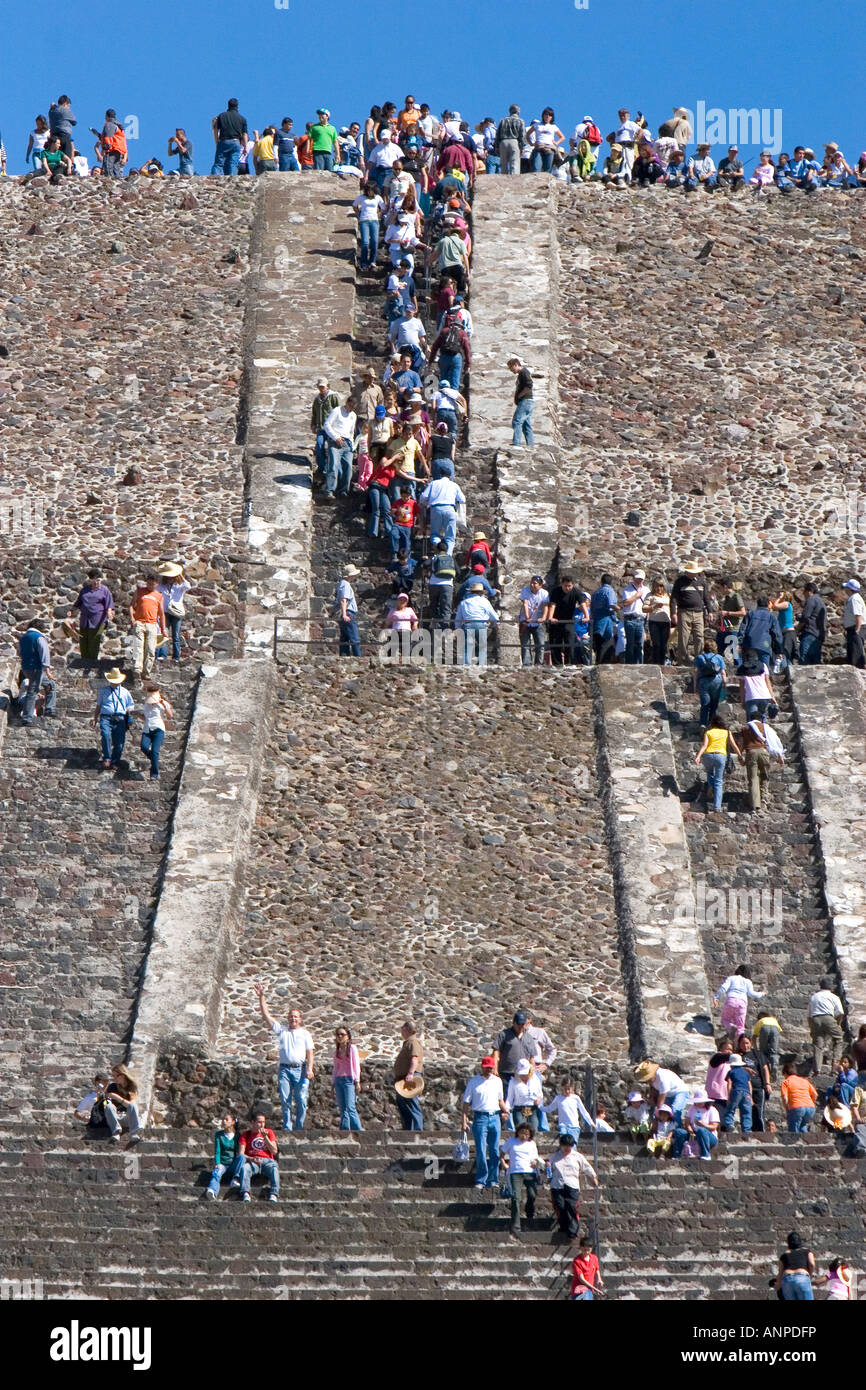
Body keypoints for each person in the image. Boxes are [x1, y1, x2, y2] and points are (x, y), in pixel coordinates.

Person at [253, 984, 314, 1132]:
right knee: (285, 1100)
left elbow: (310, 1052)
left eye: (296, 1016)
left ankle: (299, 1128)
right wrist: (262, 997)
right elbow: (266, 1016)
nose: (293, 1018)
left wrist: (310, 1068)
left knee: (301, 1099)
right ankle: (287, 1127)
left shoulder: (305, 1033)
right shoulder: (282, 1031)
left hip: (300, 1069)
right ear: (288, 1018)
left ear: (300, 1019)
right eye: (291, 1016)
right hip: (285, 1070)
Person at [461, 1056, 508, 1188]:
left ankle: (493, 1179)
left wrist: (506, 1111)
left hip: (495, 1117)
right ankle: (481, 1179)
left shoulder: (498, 1081)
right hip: (480, 1117)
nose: (489, 1070)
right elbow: (465, 1103)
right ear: (482, 1067)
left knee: (494, 1149)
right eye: (487, 1067)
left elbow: (500, 1101)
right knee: (481, 1149)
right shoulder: (473, 1082)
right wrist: (463, 1121)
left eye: (491, 1068)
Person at [547, 1133, 597, 1239]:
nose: (567, 1148)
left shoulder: (577, 1156)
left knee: (572, 1207)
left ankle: (573, 1231)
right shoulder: (555, 1157)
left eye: (569, 1146)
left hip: (572, 1185)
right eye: (565, 1146)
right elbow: (548, 1170)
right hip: (557, 1185)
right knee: (560, 1207)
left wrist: (593, 1176)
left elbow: (586, 1167)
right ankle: (564, 1227)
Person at [695, 716, 742, 813]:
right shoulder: (727, 732)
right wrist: (740, 755)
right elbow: (733, 745)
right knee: (719, 781)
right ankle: (717, 807)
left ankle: (711, 785)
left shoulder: (708, 732)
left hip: (708, 755)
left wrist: (698, 756)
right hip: (720, 756)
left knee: (709, 772)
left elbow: (704, 746)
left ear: (712, 724)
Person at [500, 1122, 539, 1235]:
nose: (524, 1136)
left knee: (532, 1194)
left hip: (529, 1172)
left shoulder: (532, 1144)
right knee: (516, 1198)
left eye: (526, 1134)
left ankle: (529, 1212)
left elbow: (535, 1157)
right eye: (522, 1133)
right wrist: (503, 1163)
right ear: (518, 1132)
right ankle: (515, 1225)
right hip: (515, 1172)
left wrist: (535, 1162)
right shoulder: (511, 1141)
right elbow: (502, 1152)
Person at [738, 719, 783, 815]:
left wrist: (740, 756)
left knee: (753, 779)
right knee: (765, 776)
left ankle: (755, 805)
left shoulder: (745, 728)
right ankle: (764, 799)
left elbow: (742, 744)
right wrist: (780, 756)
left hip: (751, 752)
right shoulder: (764, 727)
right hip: (763, 752)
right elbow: (773, 740)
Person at [93, 667, 134, 770]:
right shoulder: (103, 691)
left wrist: (129, 718)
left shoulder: (125, 692)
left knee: (119, 742)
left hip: (120, 718)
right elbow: (98, 705)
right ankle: (107, 758)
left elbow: (130, 705)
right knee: (105, 735)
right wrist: (95, 718)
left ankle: (115, 761)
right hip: (106, 717)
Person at [17, 619, 56, 726]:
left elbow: (20, 652)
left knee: (50, 684)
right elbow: (44, 653)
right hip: (36, 668)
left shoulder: (23, 638)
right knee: (33, 691)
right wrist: (47, 669)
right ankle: (27, 717)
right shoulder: (39, 637)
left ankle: (49, 709)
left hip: (26, 668)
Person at [670, 561, 710, 664]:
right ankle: (683, 660)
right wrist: (673, 613)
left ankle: (700, 660)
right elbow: (674, 598)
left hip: (698, 613)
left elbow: (706, 598)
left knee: (699, 636)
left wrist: (710, 611)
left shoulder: (702, 582)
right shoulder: (680, 582)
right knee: (684, 636)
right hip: (684, 612)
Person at [69, 570, 114, 661]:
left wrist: (109, 612)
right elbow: (79, 602)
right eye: (94, 580)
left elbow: (109, 604)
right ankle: (84, 661)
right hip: (85, 619)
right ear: (90, 580)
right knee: (84, 641)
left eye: (98, 580)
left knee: (94, 641)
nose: (96, 582)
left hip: (97, 620)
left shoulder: (104, 590)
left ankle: (92, 662)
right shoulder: (84, 590)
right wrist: (71, 610)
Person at [129, 574, 166, 682]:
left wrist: (163, 629)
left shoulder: (159, 596)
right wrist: (132, 617)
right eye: (148, 583)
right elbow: (131, 605)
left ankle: (146, 671)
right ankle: (137, 668)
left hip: (152, 624)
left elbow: (161, 613)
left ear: (157, 584)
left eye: (152, 584)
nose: (150, 585)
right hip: (139, 622)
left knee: (150, 648)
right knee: (139, 646)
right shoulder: (139, 591)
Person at [493, 1011, 540, 1094]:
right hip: (506, 1074)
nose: (521, 1026)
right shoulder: (504, 1035)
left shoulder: (529, 1038)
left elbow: (532, 1057)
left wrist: (533, 1073)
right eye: (519, 1024)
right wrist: (495, 1068)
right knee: (506, 1097)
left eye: (523, 1024)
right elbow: (496, 1051)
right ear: (514, 1023)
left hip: (523, 1074)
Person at [713, 965, 765, 1042]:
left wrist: (715, 997)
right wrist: (762, 993)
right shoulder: (748, 981)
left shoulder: (731, 978)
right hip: (742, 1004)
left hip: (731, 1001)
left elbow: (723, 988)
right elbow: (751, 993)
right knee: (741, 1027)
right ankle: (741, 1044)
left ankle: (731, 1027)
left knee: (725, 1020)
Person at [238, 1110, 279, 1202]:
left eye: (263, 1122)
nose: (262, 1125)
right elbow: (241, 1153)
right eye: (259, 1122)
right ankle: (246, 1193)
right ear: (253, 1122)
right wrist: (251, 1159)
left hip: (267, 1160)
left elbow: (274, 1151)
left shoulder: (269, 1132)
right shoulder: (246, 1135)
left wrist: (265, 1137)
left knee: (274, 1169)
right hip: (253, 1160)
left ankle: (274, 1194)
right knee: (244, 1168)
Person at [418, 474, 465, 555]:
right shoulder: (454, 485)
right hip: (450, 508)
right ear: (449, 476)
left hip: (436, 509)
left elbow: (423, 497)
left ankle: (439, 549)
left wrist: (426, 503)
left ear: (440, 475)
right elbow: (462, 499)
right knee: (450, 537)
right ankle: (448, 555)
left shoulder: (433, 483)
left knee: (435, 534)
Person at [546, 575, 586, 666]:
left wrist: (586, 616)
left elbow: (582, 603)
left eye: (569, 586)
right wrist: (550, 617)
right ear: (562, 585)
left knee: (570, 643)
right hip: (556, 621)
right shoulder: (556, 591)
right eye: (565, 586)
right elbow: (552, 605)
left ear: (572, 585)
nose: (567, 588)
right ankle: (557, 665)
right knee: (556, 644)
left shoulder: (575, 591)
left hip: (568, 621)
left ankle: (569, 664)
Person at [808, 978, 845, 1075]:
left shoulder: (814, 997)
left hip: (815, 1019)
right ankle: (834, 1067)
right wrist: (838, 1024)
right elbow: (840, 1012)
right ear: (831, 988)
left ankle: (817, 1070)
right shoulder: (834, 997)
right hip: (828, 1018)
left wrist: (811, 1028)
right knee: (838, 1039)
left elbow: (809, 1015)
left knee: (818, 1044)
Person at [455, 585, 499, 665]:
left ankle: (466, 666)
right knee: (482, 646)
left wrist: (457, 628)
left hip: (467, 624)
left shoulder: (464, 602)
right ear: (481, 592)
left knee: (467, 647)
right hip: (480, 624)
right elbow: (494, 616)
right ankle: (481, 664)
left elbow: (458, 618)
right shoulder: (484, 601)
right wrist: (496, 624)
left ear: (471, 592)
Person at [322, 397, 357, 499]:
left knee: (348, 467)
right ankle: (329, 490)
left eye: (353, 407)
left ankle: (343, 490)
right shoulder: (337, 411)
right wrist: (336, 437)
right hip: (335, 441)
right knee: (333, 465)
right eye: (350, 406)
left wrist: (352, 444)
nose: (351, 409)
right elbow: (327, 424)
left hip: (347, 443)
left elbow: (351, 431)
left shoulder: (353, 415)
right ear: (347, 403)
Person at [156, 563, 191, 663]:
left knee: (176, 635)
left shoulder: (179, 586)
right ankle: (163, 655)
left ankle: (176, 657)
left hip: (176, 612)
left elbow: (188, 586)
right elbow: (155, 591)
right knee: (164, 633)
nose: (170, 578)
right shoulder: (162, 586)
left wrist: (180, 576)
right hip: (165, 612)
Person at [138, 683, 173, 781]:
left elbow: (170, 716)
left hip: (158, 729)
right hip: (147, 729)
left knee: (154, 751)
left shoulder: (162, 704)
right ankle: (154, 760)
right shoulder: (146, 705)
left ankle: (154, 774)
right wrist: (137, 714)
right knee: (144, 747)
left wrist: (165, 705)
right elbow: (145, 718)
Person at [544, 1079, 595, 1143]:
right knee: (564, 1143)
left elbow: (583, 1111)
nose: (567, 1091)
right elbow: (549, 1108)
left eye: (569, 1089)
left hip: (574, 1126)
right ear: (562, 1088)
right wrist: (540, 1107)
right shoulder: (558, 1098)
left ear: (572, 1088)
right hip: (563, 1126)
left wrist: (591, 1122)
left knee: (572, 1145)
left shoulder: (576, 1098)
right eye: (565, 1089)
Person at [393, 1021, 424, 1130]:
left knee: (411, 1104)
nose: (401, 1030)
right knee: (404, 1106)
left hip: (409, 1077)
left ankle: (416, 1131)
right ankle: (408, 1131)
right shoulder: (408, 1042)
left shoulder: (413, 1042)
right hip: (403, 1078)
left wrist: (410, 1074)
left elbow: (414, 1059)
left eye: (402, 1028)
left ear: (406, 1029)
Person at [672, 1090, 719, 1160]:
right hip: (694, 1134)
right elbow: (687, 1122)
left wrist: (703, 1125)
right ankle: (677, 1154)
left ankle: (706, 1154)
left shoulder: (712, 1110)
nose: (699, 1103)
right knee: (679, 1132)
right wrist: (690, 1130)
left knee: (701, 1131)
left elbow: (714, 1127)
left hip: (708, 1135)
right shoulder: (692, 1108)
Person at [205, 1111, 242, 1198]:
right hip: (223, 1164)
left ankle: (235, 1179)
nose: (223, 1121)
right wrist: (218, 1163)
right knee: (217, 1173)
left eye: (226, 1119)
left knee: (241, 1157)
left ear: (232, 1122)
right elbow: (217, 1151)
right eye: (223, 1120)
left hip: (233, 1164)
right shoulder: (219, 1135)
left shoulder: (237, 1136)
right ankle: (212, 1190)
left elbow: (238, 1151)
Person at [332, 1026, 362, 1132]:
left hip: (349, 1080)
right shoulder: (337, 1050)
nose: (340, 1036)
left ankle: (358, 1130)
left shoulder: (352, 1048)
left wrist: (357, 1081)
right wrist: (333, 1081)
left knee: (350, 1107)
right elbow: (336, 1067)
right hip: (339, 1080)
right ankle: (344, 1129)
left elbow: (356, 1065)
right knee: (342, 1108)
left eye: (342, 1034)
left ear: (348, 1037)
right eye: (338, 1034)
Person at [311, 378, 341, 482]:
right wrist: (313, 425)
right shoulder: (317, 399)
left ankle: (335, 470)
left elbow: (338, 411)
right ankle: (322, 467)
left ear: (327, 386)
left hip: (331, 428)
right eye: (319, 387)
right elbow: (314, 413)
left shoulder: (333, 397)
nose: (321, 389)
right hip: (321, 428)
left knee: (333, 449)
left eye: (323, 387)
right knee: (319, 446)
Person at [104, 1064, 142, 1145]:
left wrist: (118, 1098)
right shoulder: (112, 1087)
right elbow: (107, 1103)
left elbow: (131, 1105)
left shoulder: (132, 1087)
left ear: (123, 1075)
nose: (114, 1078)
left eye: (116, 1076)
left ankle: (134, 1133)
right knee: (108, 1106)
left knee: (133, 1105)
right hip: (115, 1117)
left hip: (127, 1117)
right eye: (113, 1076)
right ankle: (116, 1133)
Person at [505, 1059, 545, 1134]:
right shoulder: (513, 1082)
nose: (523, 1076)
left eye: (525, 1074)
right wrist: (506, 1110)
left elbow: (540, 1093)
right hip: (519, 1109)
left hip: (533, 1109)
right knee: (521, 1131)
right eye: (522, 1074)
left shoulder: (535, 1079)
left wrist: (539, 1099)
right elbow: (510, 1098)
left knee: (533, 1130)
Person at [739, 597, 783, 665]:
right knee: (765, 670)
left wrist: (740, 643)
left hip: (749, 645)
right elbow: (777, 635)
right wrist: (779, 651)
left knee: (748, 669)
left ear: (757, 604)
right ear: (768, 605)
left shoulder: (750, 614)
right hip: (764, 645)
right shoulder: (771, 617)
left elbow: (742, 629)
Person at [211, 98, 247, 176]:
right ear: (237, 107)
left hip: (224, 141)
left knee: (219, 163)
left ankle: (214, 177)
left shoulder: (221, 116)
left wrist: (216, 141)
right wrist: (245, 147)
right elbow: (244, 134)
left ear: (228, 105)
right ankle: (232, 178)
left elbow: (215, 129)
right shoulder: (242, 119)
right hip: (236, 141)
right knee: (233, 163)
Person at [352, 182, 385, 271]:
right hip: (364, 221)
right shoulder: (361, 197)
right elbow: (354, 206)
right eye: (369, 190)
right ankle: (363, 261)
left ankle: (372, 261)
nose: (370, 192)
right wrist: (359, 214)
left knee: (374, 241)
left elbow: (383, 207)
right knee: (365, 242)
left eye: (372, 190)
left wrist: (379, 214)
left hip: (374, 221)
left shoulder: (378, 198)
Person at [620, 568, 649, 664]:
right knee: (630, 645)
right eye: (637, 578)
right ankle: (629, 664)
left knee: (640, 645)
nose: (639, 581)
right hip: (630, 619)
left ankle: (639, 665)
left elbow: (648, 606)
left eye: (641, 579)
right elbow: (625, 603)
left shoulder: (646, 590)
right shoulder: (627, 589)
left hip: (641, 619)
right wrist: (636, 596)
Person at [519, 575, 549, 666]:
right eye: (531, 582)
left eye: (535, 583)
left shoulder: (544, 593)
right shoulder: (525, 590)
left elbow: (545, 606)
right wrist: (527, 617)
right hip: (526, 620)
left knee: (540, 644)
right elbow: (525, 604)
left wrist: (543, 618)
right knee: (525, 644)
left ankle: (538, 664)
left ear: (540, 585)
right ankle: (527, 664)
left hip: (537, 620)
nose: (532, 585)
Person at [775, 1232, 815, 1301]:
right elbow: (811, 1264)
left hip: (787, 1280)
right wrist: (809, 1275)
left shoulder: (784, 1255)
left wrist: (778, 1286)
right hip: (802, 1277)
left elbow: (780, 1274)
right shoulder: (807, 1251)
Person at [589, 574, 619, 664]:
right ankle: (603, 664)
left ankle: (598, 662)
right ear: (611, 582)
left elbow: (592, 608)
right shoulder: (609, 591)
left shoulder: (595, 593)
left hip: (596, 621)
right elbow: (611, 604)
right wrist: (619, 608)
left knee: (598, 644)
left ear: (601, 581)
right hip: (606, 621)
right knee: (607, 643)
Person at [695, 642, 726, 728]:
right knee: (714, 704)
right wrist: (724, 684)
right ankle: (713, 725)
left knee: (705, 704)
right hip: (716, 681)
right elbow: (723, 672)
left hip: (703, 681)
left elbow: (696, 672)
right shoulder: (719, 657)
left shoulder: (700, 657)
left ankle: (703, 724)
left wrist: (695, 685)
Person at [738, 651, 775, 722]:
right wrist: (772, 696)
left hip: (751, 696)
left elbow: (742, 688)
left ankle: (753, 732)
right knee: (762, 717)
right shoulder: (763, 666)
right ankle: (763, 731)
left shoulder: (742, 668)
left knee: (752, 721)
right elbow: (767, 682)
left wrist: (742, 701)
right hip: (764, 695)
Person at [721, 1053, 753, 1134]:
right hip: (746, 1092)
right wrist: (751, 1096)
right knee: (746, 1111)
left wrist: (728, 1096)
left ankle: (729, 1125)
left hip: (736, 1090)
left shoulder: (731, 1072)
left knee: (730, 1109)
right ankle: (747, 1129)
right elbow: (749, 1084)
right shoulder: (746, 1073)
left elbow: (729, 1083)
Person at [781, 1063, 818, 1132]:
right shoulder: (804, 1080)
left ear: (785, 1073)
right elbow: (815, 1094)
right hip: (810, 1108)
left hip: (796, 1107)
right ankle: (807, 1142)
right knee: (802, 1126)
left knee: (793, 1131)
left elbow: (785, 1098)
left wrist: (787, 1110)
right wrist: (811, 1103)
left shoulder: (786, 1082)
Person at [91, 110, 127, 178]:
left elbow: (108, 137)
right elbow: (114, 137)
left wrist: (105, 148)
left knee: (108, 168)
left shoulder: (109, 124)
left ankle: (110, 182)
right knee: (116, 169)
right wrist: (98, 134)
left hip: (112, 149)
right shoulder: (118, 126)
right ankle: (117, 183)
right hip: (119, 150)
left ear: (106, 116)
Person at [335, 564, 361, 658]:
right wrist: (345, 614)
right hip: (349, 612)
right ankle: (358, 658)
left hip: (347, 612)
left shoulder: (343, 584)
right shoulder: (345, 584)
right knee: (354, 638)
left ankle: (344, 657)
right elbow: (343, 599)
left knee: (345, 638)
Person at [507, 356, 534, 446]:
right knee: (526, 425)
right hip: (526, 402)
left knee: (517, 421)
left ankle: (516, 443)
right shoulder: (521, 374)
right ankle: (530, 444)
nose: (511, 370)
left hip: (525, 401)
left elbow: (529, 385)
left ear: (516, 365)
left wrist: (520, 395)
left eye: (511, 368)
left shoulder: (524, 372)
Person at [797, 583, 826, 665]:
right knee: (815, 660)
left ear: (809, 591)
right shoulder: (820, 601)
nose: (803, 594)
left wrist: (797, 629)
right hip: (819, 634)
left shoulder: (811, 599)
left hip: (810, 632)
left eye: (804, 592)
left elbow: (805, 617)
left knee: (804, 657)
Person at [645, 579, 671, 665]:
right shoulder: (650, 595)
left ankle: (662, 663)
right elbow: (644, 609)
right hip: (654, 622)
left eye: (661, 586)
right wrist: (654, 606)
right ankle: (656, 664)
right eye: (657, 586)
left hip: (666, 623)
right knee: (656, 644)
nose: (659, 588)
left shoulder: (668, 596)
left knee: (664, 645)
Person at [841, 578, 865, 668]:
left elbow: (858, 616)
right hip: (854, 628)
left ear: (850, 589)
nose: (845, 590)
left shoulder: (854, 599)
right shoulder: (853, 598)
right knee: (853, 653)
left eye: (846, 588)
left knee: (856, 654)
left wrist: (857, 631)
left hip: (856, 628)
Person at [496, 105, 525, 177]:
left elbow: (498, 134)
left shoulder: (503, 120)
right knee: (514, 162)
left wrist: (496, 146)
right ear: (518, 111)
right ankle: (514, 179)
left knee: (503, 163)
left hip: (503, 142)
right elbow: (522, 135)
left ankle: (503, 178)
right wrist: (522, 147)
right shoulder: (520, 121)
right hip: (514, 141)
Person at [753, 1010, 783, 1081]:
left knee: (763, 1051)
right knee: (773, 1052)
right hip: (775, 1028)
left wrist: (756, 1049)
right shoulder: (773, 1020)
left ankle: (764, 1069)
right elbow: (779, 1031)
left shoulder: (761, 1021)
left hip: (764, 1028)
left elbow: (754, 1037)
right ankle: (774, 1066)